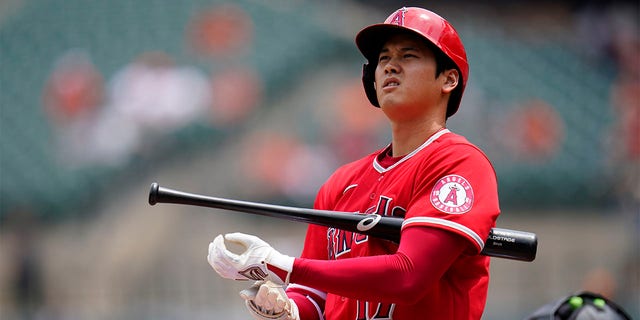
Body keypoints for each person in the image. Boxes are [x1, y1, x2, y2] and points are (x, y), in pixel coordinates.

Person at [207, 7, 500, 320]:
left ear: (448, 79)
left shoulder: (458, 162)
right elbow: (316, 296)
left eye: (409, 55)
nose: (390, 67)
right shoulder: (342, 181)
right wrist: (288, 309)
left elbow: (409, 276)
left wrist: (286, 266)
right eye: (384, 58)